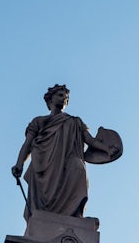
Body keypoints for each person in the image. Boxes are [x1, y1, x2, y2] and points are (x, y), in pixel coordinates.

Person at [12, 85, 119, 216]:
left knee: (79, 168)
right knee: (42, 200)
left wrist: (107, 149)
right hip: (43, 162)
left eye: (66, 97)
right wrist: (19, 163)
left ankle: (75, 214)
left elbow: (90, 140)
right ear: (50, 99)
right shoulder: (39, 121)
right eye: (60, 95)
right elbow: (27, 144)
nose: (64, 99)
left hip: (68, 158)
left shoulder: (75, 121)